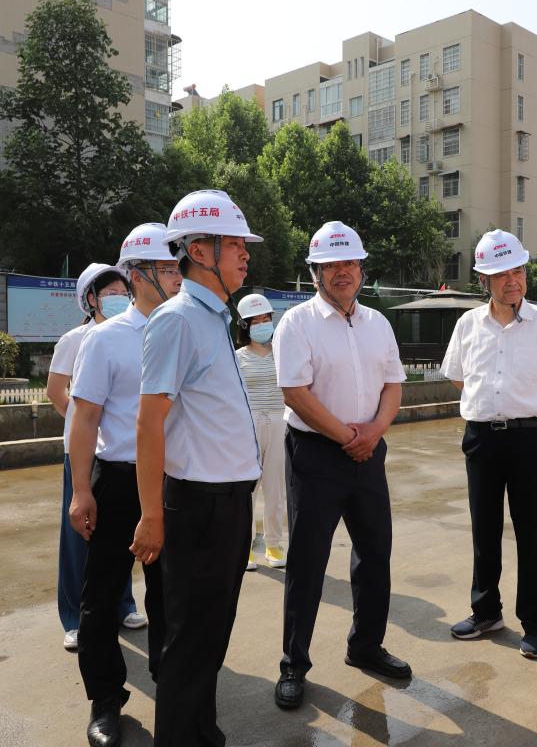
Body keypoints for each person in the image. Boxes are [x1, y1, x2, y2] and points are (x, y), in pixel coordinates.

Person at [131, 189, 263, 747]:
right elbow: (148, 423)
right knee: (189, 645)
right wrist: (151, 516)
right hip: (198, 506)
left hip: (229, 502)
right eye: (235, 244)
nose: (245, 254)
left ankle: (202, 734)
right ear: (200, 250)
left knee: (212, 635)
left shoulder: (215, 318)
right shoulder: (178, 320)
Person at [272, 221, 409, 710]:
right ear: (315, 272)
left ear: (361, 268)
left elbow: (393, 385)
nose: (343, 272)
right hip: (316, 455)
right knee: (307, 562)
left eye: (350, 262)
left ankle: (366, 646)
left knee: (374, 554)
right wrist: (348, 436)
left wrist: (373, 432)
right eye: (331, 265)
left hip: (369, 451)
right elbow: (295, 392)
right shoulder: (297, 323)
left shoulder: (377, 323)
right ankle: (294, 664)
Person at [440, 229, 537, 659]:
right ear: (484, 279)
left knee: (532, 533)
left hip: (529, 439)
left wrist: (533, 408)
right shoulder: (468, 325)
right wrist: (491, 407)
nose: (512, 281)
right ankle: (486, 611)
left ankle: (536, 624)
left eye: (517, 271)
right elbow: (460, 377)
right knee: (484, 529)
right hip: (481, 439)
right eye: (501, 274)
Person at [69, 224, 182, 747]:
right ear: (138, 275)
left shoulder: (185, 329)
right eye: (167, 268)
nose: (177, 276)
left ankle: (172, 683)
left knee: (170, 594)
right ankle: (105, 700)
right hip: (117, 481)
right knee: (102, 595)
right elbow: (85, 419)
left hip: (174, 481)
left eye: (179, 267)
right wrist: (81, 490)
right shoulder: (106, 339)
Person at [48, 262, 145, 652]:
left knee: (120, 534)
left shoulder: (133, 335)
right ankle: (74, 617)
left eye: (123, 292)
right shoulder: (76, 339)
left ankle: (124, 604)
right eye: (109, 293)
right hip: (84, 451)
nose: (118, 298)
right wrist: (83, 424)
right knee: (79, 536)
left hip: (120, 456)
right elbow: (56, 391)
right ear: (90, 299)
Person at [235, 293, 287, 571]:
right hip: (249, 425)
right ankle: (245, 547)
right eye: (256, 321)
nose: (263, 324)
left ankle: (274, 544)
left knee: (275, 488)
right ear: (245, 326)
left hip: (280, 421)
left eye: (267, 319)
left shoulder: (282, 353)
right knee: (248, 489)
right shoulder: (237, 357)